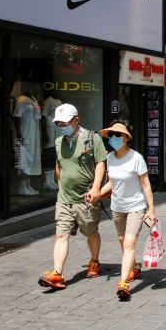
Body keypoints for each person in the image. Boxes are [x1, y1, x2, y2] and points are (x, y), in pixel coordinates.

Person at [38, 103, 107, 290]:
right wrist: (60, 188)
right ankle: (57, 274)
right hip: (65, 199)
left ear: (76, 120)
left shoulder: (93, 139)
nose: (61, 127)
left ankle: (94, 260)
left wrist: (96, 189)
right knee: (61, 235)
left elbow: (101, 163)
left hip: (86, 199)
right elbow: (59, 166)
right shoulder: (59, 142)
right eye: (58, 124)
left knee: (90, 231)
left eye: (64, 123)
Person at [96, 121, 155, 300]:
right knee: (123, 241)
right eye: (111, 135)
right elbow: (112, 183)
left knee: (129, 244)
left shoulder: (136, 158)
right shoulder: (110, 158)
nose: (113, 138)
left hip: (136, 207)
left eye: (117, 135)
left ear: (126, 138)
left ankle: (123, 283)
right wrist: (97, 193)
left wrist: (151, 209)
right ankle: (134, 267)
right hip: (117, 207)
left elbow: (145, 185)